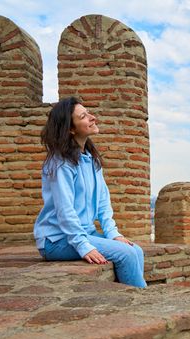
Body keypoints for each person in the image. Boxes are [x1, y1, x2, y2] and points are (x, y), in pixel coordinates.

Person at [34, 97, 147, 288]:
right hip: (56, 240)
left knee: (136, 250)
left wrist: (113, 234)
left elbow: (103, 201)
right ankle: (144, 303)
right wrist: (83, 245)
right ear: (71, 128)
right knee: (125, 254)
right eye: (84, 116)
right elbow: (65, 210)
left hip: (85, 233)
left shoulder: (90, 159)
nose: (92, 118)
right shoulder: (61, 163)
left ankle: (130, 298)